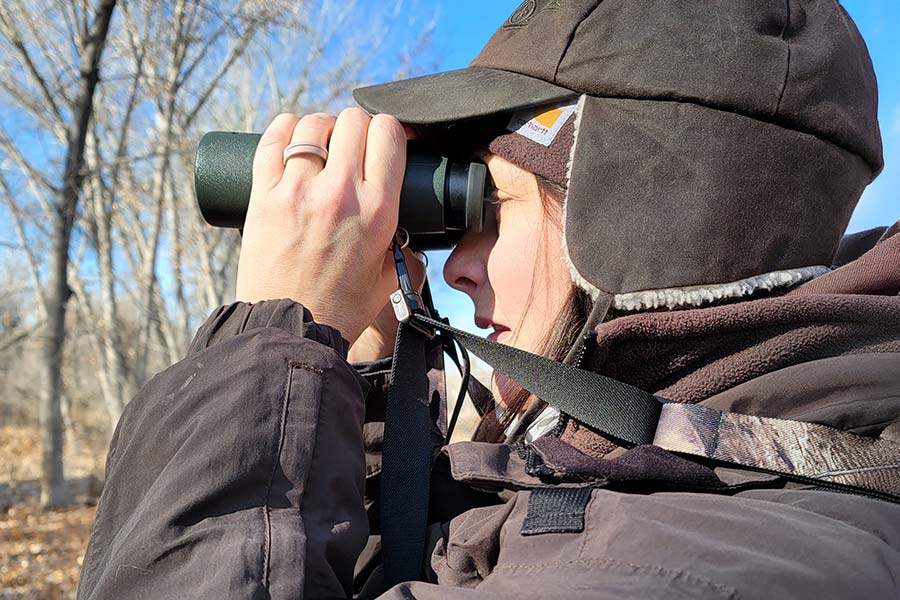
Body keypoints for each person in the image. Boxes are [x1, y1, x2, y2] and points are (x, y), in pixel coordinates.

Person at [77, 1, 900, 598]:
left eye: (486, 209)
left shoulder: (687, 567)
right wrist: (346, 381)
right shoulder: (652, 474)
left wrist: (265, 345)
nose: (460, 268)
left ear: (639, 229)